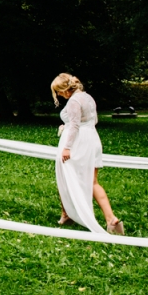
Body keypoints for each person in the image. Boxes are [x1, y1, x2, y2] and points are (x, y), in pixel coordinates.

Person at [52, 73, 124, 234]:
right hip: (92, 138)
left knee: (65, 177)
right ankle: (111, 219)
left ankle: (67, 214)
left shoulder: (73, 101)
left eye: (58, 91)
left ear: (65, 89)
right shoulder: (88, 98)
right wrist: (68, 125)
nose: (58, 94)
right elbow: (93, 120)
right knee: (93, 182)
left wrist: (67, 147)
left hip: (77, 142)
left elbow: (75, 125)